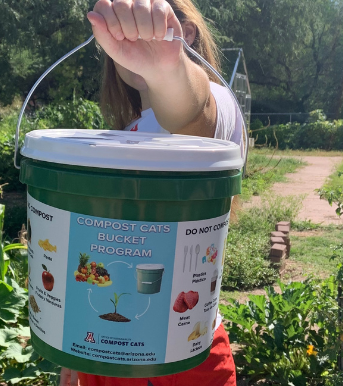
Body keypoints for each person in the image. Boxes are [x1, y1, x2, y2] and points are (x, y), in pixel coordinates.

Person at [59, 0, 243, 384]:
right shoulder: (130, 131)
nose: (133, 34)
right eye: (122, 30)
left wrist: (169, 69)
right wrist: (71, 359)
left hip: (182, 353)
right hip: (105, 349)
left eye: (144, 22)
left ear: (186, 33)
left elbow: (193, 113)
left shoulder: (217, 99)